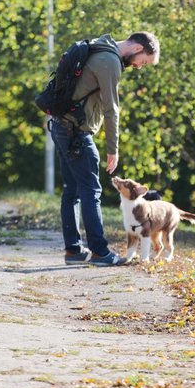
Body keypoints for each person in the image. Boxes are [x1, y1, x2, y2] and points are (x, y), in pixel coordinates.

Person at [51, 31, 160, 266]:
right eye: (144, 62)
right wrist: (113, 149)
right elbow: (112, 110)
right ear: (138, 49)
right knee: (91, 191)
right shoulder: (110, 61)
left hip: (61, 125)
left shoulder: (98, 47)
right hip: (77, 132)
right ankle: (100, 252)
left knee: (72, 190)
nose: (141, 67)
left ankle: (73, 251)